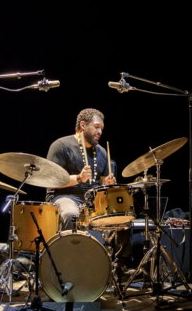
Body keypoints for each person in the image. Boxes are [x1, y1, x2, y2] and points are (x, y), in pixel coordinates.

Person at [45, 108, 132, 269]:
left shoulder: (101, 152)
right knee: (71, 214)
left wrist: (107, 183)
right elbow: (51, 181)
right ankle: (70, 266)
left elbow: (101, 183)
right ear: (83, 125)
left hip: (93, 201)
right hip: (65, 196)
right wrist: (78, 178)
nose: (100, 131)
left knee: (124, 215)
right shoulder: (61, 146)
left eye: (101, 129)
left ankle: (118, 265)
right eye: (96, 127)